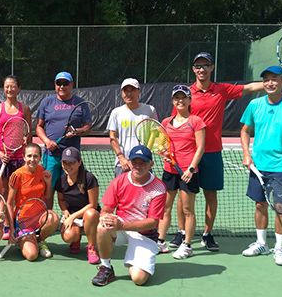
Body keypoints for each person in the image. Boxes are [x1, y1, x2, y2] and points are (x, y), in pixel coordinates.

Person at [168, 51, 266, 252]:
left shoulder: (221, 90)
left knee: (210, 194)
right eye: (198, 66)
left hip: (212, 153)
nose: (201, 69)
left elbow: (248, 88)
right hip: (187, 153)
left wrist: (276, 83)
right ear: (193, 69)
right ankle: (181, 232)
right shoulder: (185, 93)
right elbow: (174, 123)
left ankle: (207, 234)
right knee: (183, 196)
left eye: (205, 65)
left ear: (212, 68)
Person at [240, 66, 282, 267]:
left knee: (280, 207)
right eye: (266, 79)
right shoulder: (254, 104)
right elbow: (244, 131)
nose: (270, 83)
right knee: (260, 205)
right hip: (258, 165)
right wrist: (246, 154)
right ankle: (261, 243)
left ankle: (279, 248)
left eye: (274, 79)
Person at [91, 145, 167, 287]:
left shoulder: (158, 188)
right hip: (121, 227)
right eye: (134, 162)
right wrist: (105, 217)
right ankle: (106, 267)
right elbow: (107, 208)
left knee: (138, 279)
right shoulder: (119, 180)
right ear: (129, 162)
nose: (137, 166)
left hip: (144, 234)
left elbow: (152, 222)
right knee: (102, 226)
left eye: (143, 163)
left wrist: (123, 226)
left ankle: (139, 260)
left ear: (151, 164)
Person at [157, 86, 206, 259]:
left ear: (189, 100)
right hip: (169, 171)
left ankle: (187, 245)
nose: (180, 101)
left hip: (188, 172)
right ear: (172, 101)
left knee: (187, 210)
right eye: (177, 98)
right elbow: (160, 144)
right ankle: (160, 241)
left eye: (183, 97)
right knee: (165, 208)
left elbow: (200, 147)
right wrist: (163, 152)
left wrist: (191, 169)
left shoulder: (196, 121)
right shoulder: (165, 122)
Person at [35, 71, 92, 208]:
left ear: (71, 85)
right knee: (49, 189)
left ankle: (68, 217)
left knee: (70, 189)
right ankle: (48, 218)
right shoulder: (46, 102)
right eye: (58, 83)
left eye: (65, 83)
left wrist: (76, 131)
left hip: (71, 157)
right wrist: (47, 142)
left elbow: (88, 128)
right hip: (51, 156)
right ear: (55, 85)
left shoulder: (80, 103)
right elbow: (39, 127)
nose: (62, 86)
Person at [0, 75, 33, 239]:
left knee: (20, 193)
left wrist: (27, 154)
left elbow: (29, 135)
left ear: (19, 88)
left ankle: (19, 222)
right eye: (6, 86)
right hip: (2, 158)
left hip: (20, 159)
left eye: (13, 86)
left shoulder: (25, 109)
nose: (9, 89)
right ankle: (6, 225)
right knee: (4, 192)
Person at [7, 143, 60, 261]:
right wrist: (11, 229)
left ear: (40, 158)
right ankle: (24, 239)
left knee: (53, 218)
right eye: (29, 156)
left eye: (35, 156)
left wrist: (48, 181)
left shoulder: (42, 170)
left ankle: (40, 240)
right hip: (23, 220)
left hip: (40, 216)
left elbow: (47, 196)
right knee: (31, 255)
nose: (32, 159)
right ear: (24, 157)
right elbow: (9, 203)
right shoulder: (17, 175)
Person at [55, 147, 100, 264]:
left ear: (79, 163)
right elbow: (61, 200)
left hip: (90, 216)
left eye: (72, 162)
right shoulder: (61, 180)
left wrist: (73, 216)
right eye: (65, 162)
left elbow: (93, 204)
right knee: (68, 236)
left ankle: (91, 248)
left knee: (90, 214)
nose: (68, 166)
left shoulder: (89, 178)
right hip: (72, 216)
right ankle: (76, 239)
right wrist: (66, 213)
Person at [107, 78, 158, 176]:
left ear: (138, 92)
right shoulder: (116, 113)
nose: (129, 94)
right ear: (122, 93)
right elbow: (112, 137)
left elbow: (155, 134)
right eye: (126, 91)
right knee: (121, 191)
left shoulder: (150, 110)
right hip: (122, 164)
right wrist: (121, 158)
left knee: (143, 191)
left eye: (132, 90)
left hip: (143, 164)